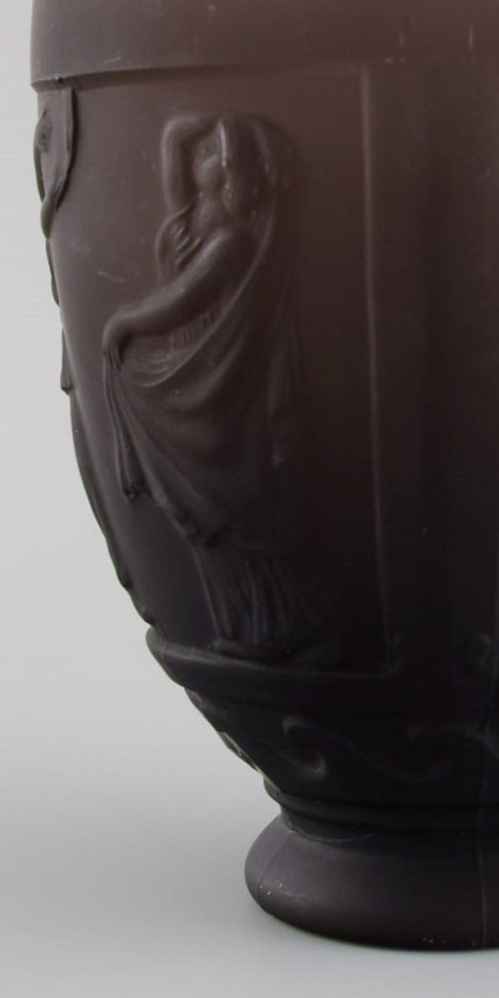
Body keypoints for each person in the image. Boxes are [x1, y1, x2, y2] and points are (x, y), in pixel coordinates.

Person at [101, 111, 328, 661]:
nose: (196, 157)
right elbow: (173, 140)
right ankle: (247, 628)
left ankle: (277, 629)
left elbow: (183, 300)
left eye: (213, 154)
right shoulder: (190, 224)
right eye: (200, 152)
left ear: (233, 174)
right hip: (194, 371)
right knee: (205, 516)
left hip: (217, 382)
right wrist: (215, 121)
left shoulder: (230, 244)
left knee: (225, 509)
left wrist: (123, 321)